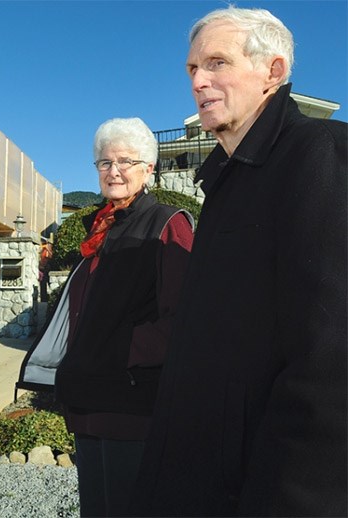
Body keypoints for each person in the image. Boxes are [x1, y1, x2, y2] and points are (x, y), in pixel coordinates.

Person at [129, 7, 347, 517]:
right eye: (192, 69)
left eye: (218, 63)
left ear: (273, 72)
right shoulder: (229, 182)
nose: (199, 81)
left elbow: (332, 366)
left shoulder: (318, 156)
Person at [18, 117, 194, 516]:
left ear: (149, 168)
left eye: (126, 161)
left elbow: (183, 320)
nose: (114, 171)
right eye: (104, 163)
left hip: (130, 404)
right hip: (89, 399)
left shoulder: (168, 224)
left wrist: (116, 351)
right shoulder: (101, 228)